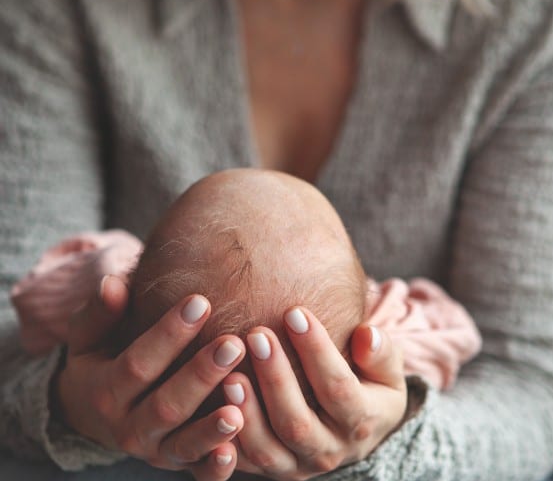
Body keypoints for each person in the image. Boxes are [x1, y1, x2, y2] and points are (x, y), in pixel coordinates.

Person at [0, 0, 553, 481]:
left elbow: (528, 376)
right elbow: (15, 306)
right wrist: (68, 403)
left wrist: (394, 432)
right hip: (115, 469)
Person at [11, 169, 483, 408]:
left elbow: (31, 296)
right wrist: (395, 372)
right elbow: (457, 334)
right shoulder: (381, 334)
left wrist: (103, 271)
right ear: (370, 296)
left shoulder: (109, 299)